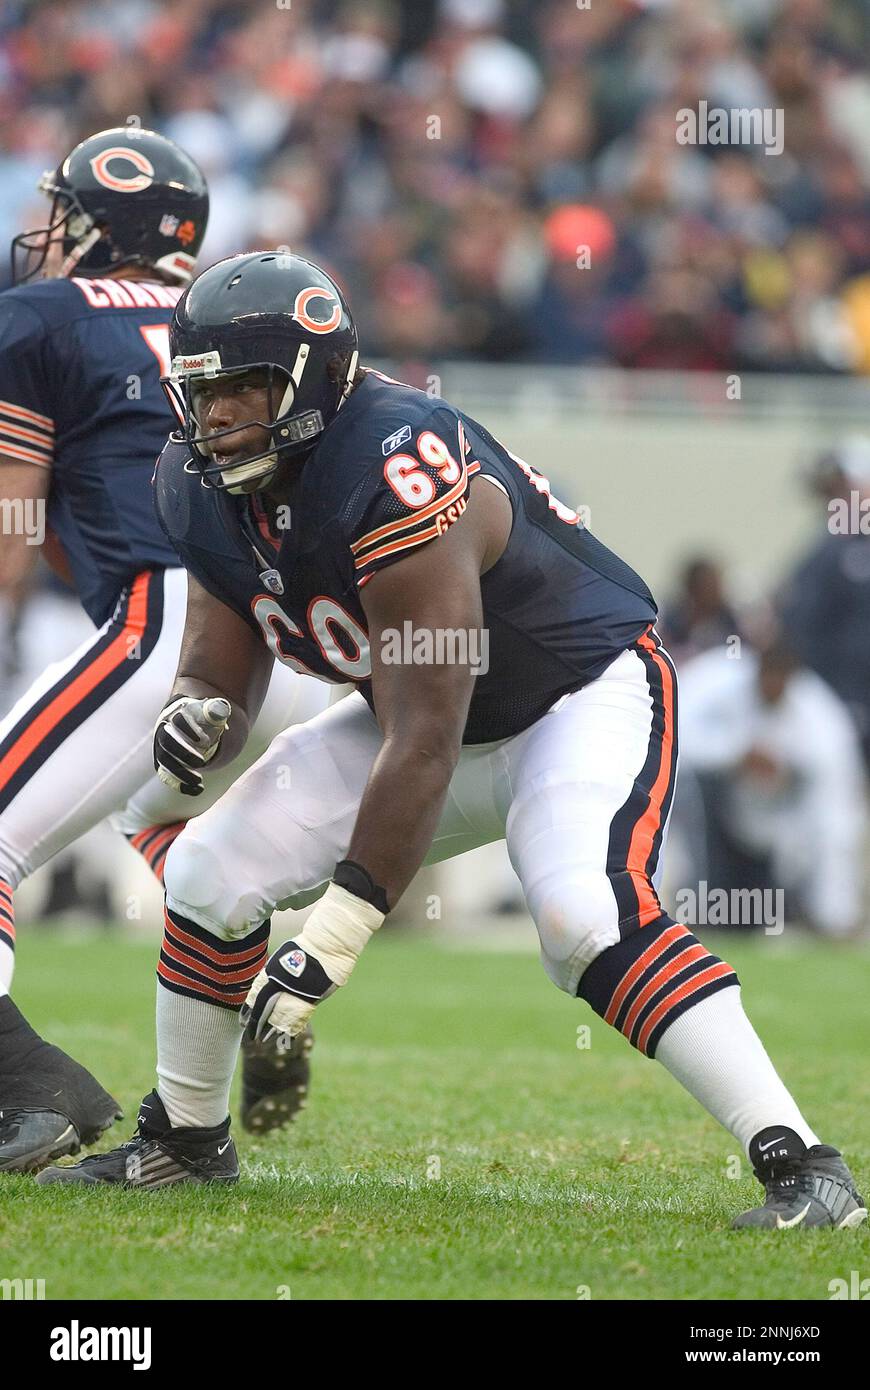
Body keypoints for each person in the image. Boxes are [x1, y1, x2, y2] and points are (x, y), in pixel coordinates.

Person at [41, 251, 866, 1232]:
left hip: (575, 696)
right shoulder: (196, 477)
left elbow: (425, 733)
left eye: (242, 390)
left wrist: (325, 949)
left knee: (581, 916)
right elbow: (224, 655)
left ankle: (807, 1166)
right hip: (419, 718)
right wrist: (198, 706)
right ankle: (183, 1141)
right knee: (210, 872)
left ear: (311, 383)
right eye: (203, 393)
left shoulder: (397, 458)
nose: (216, 419)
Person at [0, 131, 325, 1175]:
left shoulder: (42, 316)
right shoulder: (210, 318)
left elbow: (14, 523)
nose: (44, 229)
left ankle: (29, 1085)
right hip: (285, 637)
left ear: (109, 221)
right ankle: (186, 1136)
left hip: (172, 633)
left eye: (65, 208)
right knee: (193, 866)